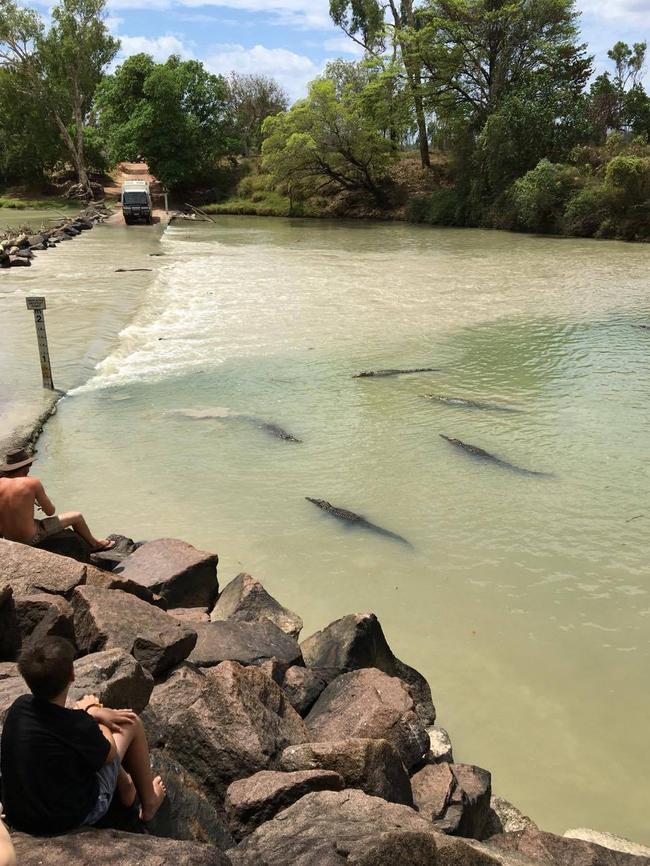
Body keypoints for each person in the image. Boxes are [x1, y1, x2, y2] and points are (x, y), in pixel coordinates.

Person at [0, 637, 166, 835]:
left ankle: (127, 786)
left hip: (20, 816)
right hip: (69, 818)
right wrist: (93, 710)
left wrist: (87, 715)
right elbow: (110, 752)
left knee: (82, 748)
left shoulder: (20, 707)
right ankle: (149, 803)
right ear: (72, 675)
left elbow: (62, 724)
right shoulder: (79, 725)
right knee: (132, 723)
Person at [0, 447, 115, 551]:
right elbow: (50, 511)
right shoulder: (32, 483)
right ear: (27, 466)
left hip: (9, 539)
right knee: (77, 516)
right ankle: (95, 544)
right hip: (31, 538)